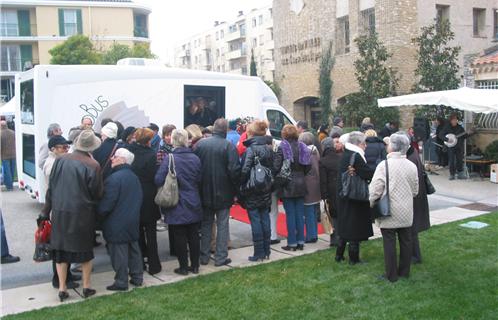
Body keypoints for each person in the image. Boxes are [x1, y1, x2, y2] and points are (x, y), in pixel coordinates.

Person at [40, 129, 103, 301]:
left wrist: (46, 211)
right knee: (85, 252)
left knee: (61, 253)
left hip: (60, 212)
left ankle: (62, 288)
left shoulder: (60, 161)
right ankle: (86, 286)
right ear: (91, 147)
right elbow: (97, 193)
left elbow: (51, 189)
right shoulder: (93, 165)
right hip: (82, 213)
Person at [369, 132, 419, 282]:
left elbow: (375, 190)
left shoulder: (384, 165)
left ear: (393, 147)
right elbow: (415, 190)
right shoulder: (412, 165)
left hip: (389, 210)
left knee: (389, 241)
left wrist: (371, 203)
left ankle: (391, 275)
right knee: (406, 240)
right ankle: (404, 272)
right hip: (406, 210)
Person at [155, 129, 203, 275]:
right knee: (194, 235)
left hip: (176, 200)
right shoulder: (195, 158)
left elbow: (158, 179)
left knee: (179, 235)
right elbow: (200, 179)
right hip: (193, 198)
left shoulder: (170, 158)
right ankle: (195, 265)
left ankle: (183, 267)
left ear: (174, 140)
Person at [195, 118, 241, 267]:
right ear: (226, 130)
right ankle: (220, 257)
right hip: (224, 192)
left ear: (214, 128)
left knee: (207, 224)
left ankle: (204, 256)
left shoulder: (201, 145)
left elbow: (196, 168)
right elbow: (234, 171)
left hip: (205, 191)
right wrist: (236, 190)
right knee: (222, 225)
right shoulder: (228, 146)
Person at [97, 148, 144, 291]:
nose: (112, 158)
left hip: (116, 222)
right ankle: (137, 277)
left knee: (119, 254)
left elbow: (106, 205)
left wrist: (98, 215)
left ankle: (121, 281)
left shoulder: (113, 179)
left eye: (115, 156)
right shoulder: (133, 177)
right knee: (133, 249)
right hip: (132, 219)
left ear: (123, 160)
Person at [42, 135, 80, 289]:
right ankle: (59, 279)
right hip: (59, 209)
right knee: (60, 247)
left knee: (66, 245)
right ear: (53, 149)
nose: (67, 150)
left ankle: (67, 274)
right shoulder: (52, 164)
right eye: (63, 147)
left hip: (62, 207)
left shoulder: (58, 161)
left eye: (67, 147)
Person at [126, 128, 162, 275]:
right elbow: (155, 176)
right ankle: (154, 264)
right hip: (148, 194)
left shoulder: (130, 151)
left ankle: (139, 263)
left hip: (134, 193)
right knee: (151, 233)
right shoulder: (151, 155)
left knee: (138, 231)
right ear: (148, 141)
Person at [335, 131, 375, 264]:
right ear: (358, 144)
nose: (366, 146)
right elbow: (367, 173)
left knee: (344, 226)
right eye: (364, 143)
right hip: (354, 195)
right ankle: (354, 258)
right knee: (354, 227)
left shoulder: (345, 154)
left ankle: (339, 255)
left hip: (344, 194)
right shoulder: (356, 156)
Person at [239, 120, 275, 261]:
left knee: (255, 220)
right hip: (265, 188)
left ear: (251, 133)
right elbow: (272, 168)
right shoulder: (268, 148)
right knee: (265, 218)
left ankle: (259, 252)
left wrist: (241, 184)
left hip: (252, 189)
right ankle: (266, 251)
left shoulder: (251, 150)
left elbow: (245, 170)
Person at [274, 124, 311, 251]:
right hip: (301, 182)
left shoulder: (282, 147)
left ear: (284, 134)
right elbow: (308, 166)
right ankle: (300, 241)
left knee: (290, 215)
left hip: (287, 184)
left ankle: (292, 243)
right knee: (300, 214)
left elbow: (277, 166)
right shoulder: (302, 146)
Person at [406, 142, 430, 264]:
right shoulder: (413, 154)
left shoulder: (410, 158)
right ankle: (413, 255)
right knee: (411, 229)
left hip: (414, 197)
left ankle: (414, 256)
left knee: (411, 229)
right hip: (417, 196)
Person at [319, 137, 342, 246]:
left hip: (329, 190)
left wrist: (323, 196)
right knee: (340, 213)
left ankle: (334, 238)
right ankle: (341, 237)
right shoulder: (340, 158)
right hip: (340, 189)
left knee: (331, 215)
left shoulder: (323, 161)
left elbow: (323, 181)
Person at [299, 132, 320, 244]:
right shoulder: (315, 151)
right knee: (312, 210)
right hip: (316, 184)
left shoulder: (306, 153)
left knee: (308, 212)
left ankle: (311, 235)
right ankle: (314, 234)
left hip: (308, 184)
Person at [439, 114, 469, 180]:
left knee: (459, 160)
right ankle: (452, 174)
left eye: (456, 119)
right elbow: (440, 135)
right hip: (451, 147)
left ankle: (460, 174)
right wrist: (447, 139)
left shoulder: (460, 128)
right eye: (453, 120)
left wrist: (469, 133)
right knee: (451, 160)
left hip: (459, 146)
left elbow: (465, 136)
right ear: (451, 120)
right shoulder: (447, 127)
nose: (455, 121)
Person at [1, 120, 16, 191]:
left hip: (4, 155)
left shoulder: (0, 134)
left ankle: (9, 186)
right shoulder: (13, 133)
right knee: (12, 170)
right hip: (13, 154)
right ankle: (10, 184)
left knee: (7, 171)